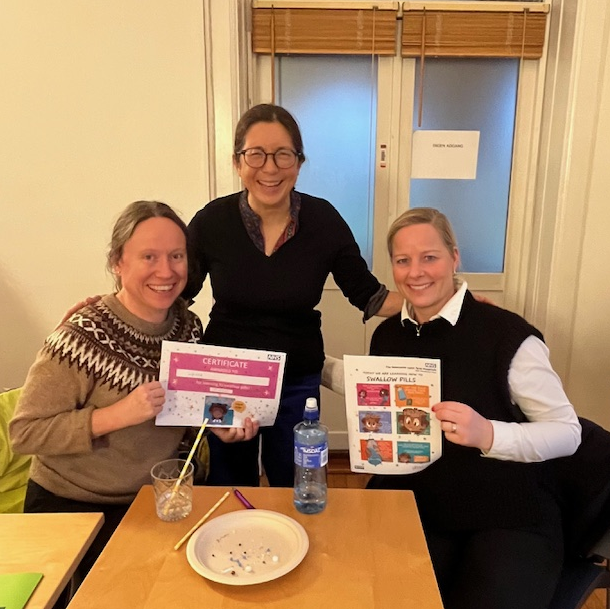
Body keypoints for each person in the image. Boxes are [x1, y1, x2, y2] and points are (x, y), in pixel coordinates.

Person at [9, 201, 258, 584]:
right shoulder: (80, 336)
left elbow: (186, 405)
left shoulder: (188, 327)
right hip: (74, 505)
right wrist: (116, 415)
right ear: (117, 262)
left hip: (155, 501)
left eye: (176, 256)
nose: (166, 271)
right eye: (149, 257)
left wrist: (217, 424)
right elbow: (24, 433)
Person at [366, 207, 581, 609]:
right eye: (403, 260)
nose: (416, 272)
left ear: (454, 257)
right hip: (420, 502)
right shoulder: (386, 337)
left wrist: (489, 434)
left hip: (508, 510)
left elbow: (568, 432)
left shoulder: (507, 335)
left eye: (430, 257)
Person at [183, 103, 403, 487]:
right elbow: (176, 294)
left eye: (283, 154)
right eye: (256, 154)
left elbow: (371, 296)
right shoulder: (211, 221)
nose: (270, 168)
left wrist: (447, 302)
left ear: (299, 163)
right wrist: (113, 309)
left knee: (300, 487)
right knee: (229, 488)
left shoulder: (324, 220)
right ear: (237, 162)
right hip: (228, 381)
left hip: (297, 381)